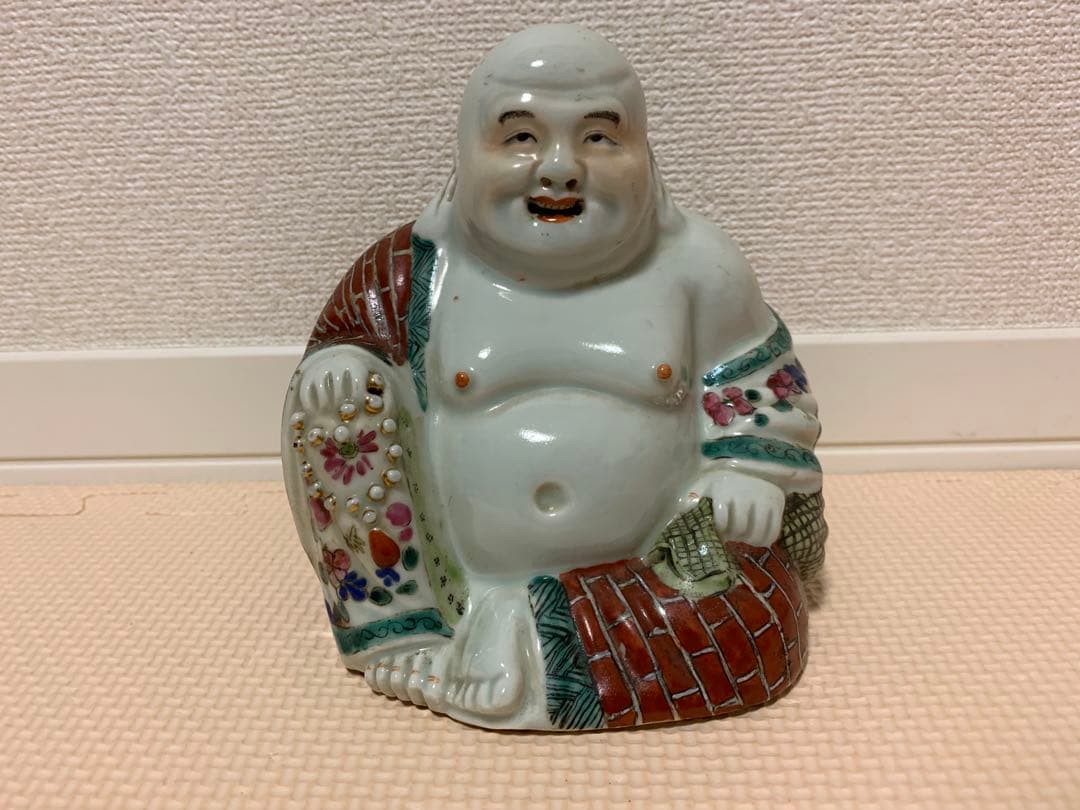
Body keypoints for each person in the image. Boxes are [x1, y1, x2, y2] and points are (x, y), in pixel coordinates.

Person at [282, 24, 826, 730]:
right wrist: (341, 368)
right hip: (460, 573)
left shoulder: (699, 268)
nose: (562, 168)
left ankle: (527, 634)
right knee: (338, 399)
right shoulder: (415, 271)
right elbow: (341, 353)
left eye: (599, 137)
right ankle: (420, 635)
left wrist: (743, 471)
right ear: (466, 152)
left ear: (645, 151)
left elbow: (766, 390)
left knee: (754, 622)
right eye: (520, 138)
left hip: (657, 565)